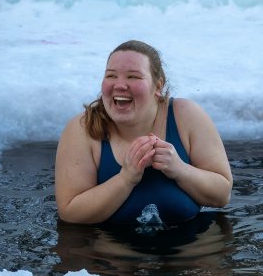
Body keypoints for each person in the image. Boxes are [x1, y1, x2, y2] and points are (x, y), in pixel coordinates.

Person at [55, 40, 232, 225]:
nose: (120, 85)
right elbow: (70, 212)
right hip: (108, 249)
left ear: (158, 86)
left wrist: (179, 169)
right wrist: (126, 179)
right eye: (111, 76)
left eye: (133, 77)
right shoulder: (83, 128)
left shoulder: (186, 116)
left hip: (190, 244)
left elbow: (222, 195)